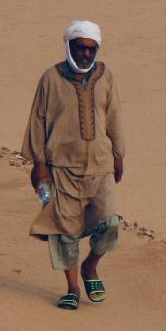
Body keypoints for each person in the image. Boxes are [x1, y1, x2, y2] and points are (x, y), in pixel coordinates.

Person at [22, 19, 125, 310]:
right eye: (80, 48)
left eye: (91, 50)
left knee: (111, 223)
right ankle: (72, 289)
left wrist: (119, 154)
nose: (86, 55)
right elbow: (38, 121)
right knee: (64, 231)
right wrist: (38, 163)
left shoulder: (105, 76)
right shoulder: (50, 79)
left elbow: (114, 115)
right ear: (69, 45)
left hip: (100, 165)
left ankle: (90, 266)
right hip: (61, 168)